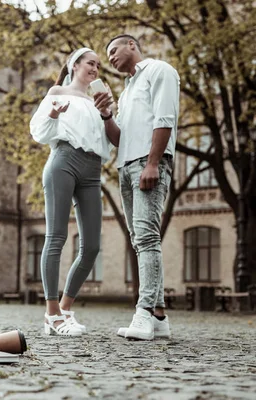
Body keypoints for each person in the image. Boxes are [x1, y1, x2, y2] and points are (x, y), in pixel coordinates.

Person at [94, 34, 180, 340]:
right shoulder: (127, 90)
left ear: (133, 45)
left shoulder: (160, 70)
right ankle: (159, 316)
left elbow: (165, 118)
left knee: (146, 237)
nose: (111, 57)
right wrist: (106, 114)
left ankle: (143, 312)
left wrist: (153, 163)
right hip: (126, 167)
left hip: (149, 162)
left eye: (113, 49)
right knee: (140, 239)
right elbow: (121, 139)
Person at [30, 48, 113, 336]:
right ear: (74, 65)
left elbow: (111, 141)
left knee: (91, 246)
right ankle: (51, 314)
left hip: (93, 170)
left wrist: (106, 113)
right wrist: (52, 113)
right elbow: (39, 131)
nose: (95, 68)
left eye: (98, 65)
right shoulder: (58, 90)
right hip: (64, 161)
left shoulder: (96, 100)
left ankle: (65, 309)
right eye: (91, 62)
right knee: (56, 237)